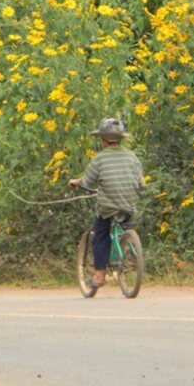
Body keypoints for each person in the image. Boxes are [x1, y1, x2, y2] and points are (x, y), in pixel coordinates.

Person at [68, 117, 144, 289]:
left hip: (108, 205)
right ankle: (128, 243)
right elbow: (140, 182)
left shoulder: (99, 159)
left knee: (100, 234)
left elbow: (88, 182)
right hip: (129, 202)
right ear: (121, 139)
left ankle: (100, 275)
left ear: (102, 140)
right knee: (125, 221)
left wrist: (76, 182)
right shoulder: (132, 157)